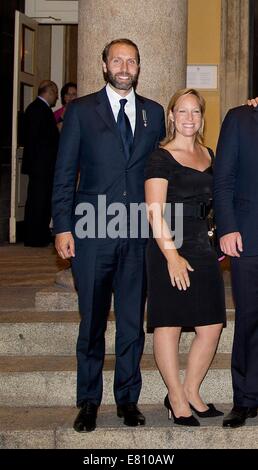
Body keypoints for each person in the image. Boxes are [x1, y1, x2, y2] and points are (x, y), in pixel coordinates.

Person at [52, 38, 165, 432]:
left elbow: (165, 168)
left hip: (138, 235)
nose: (123, 66)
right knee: (93, 322)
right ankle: (88, 401)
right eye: (116, 59)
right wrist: (63, 225)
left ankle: (127, 399)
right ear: (104, 66)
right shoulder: (81, 112)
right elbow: (65, 173)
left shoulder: (154, 114)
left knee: (132, 322)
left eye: (130, 60)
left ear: (138, 67)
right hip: (91, 232)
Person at [144, 88, 226, 426]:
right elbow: (153, 211)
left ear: (201, 117)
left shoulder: (209, 153)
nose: (189, 117)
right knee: (170, 322)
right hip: (169, 244)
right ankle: (176, 398)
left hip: (202, 245)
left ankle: (192, 390)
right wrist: (172, 256)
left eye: (195, 112)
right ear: (172, 116)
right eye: (183, 111)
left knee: (212, 324)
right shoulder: (160, 156)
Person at [214, 103, 258, 428]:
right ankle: (244, 399)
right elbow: (223, 179)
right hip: (248, 236)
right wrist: (227, 227)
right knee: (248, 319)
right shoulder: (239, 119)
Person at [22, 80, 59, 247]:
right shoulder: (40, 110)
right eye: (55, 93)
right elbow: (43, 140)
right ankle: (37, 236)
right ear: (49, 91)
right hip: (42, 166)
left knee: (39, 201)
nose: (56, 97)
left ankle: (37, 234)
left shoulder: (35, 108)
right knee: (39, 202)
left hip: (39, 166)